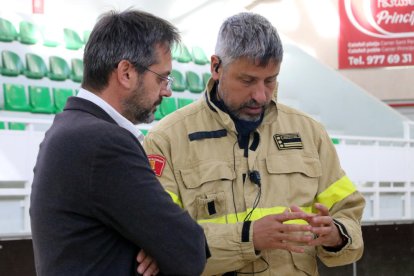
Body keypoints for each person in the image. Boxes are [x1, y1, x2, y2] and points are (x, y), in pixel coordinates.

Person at [143, 12, 365, 275]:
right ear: (216, 67)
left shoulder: (309, 132)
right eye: (247, 81)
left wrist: (337, 234)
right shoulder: (165, 140)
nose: (260, 95)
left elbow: (348, 213)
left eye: (270, 80)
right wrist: (248, 238)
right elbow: (161, 240)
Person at [30, 9, 209, 276]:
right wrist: (160, 249)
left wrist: (158, 247)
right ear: (126, 72)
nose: (167, 91)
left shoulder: (68, 130)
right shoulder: (104, 143)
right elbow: (190, 250)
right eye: (162, 78)